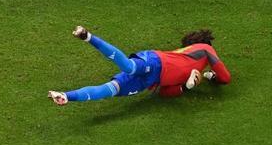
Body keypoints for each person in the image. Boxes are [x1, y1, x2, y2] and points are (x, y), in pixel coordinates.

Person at [48, 26, 231, 105]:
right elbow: (226, 78)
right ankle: (88, 37)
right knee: (129, 67)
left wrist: (187, 87)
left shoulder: (192, 72)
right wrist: (214, 76)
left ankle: (66, 96)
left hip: (151, 81)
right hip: (156, 61)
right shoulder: (205, 49)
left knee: (110, 90)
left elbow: (164, 92)